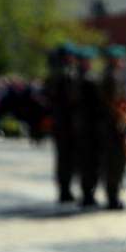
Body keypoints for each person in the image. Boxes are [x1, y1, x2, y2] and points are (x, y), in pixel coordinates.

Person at [45, 43, 78, 203]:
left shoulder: (53, 75)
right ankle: (65, 191)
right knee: (67, 158)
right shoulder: (66, 75)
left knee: (63, 158)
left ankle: (64, 189)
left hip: (60, 122)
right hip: (68, 122)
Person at [100, 45, 126, 210]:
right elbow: (114, 104)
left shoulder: (112, 75)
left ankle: (114, 196)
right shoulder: (112, 77)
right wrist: (122, 120)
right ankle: (113, 198)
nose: (122, 62)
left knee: (117, 161)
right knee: (115, 161)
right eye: (120, 59)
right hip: (113, 126)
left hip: (114, 124)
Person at [74, 46, 104, 207]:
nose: (89, 63)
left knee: (85, 162)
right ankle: (88, 195)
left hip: (81, 126)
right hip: (88, 127)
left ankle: (87, 193)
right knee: (89, 162)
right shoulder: (87, 79)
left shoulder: (76, 77)